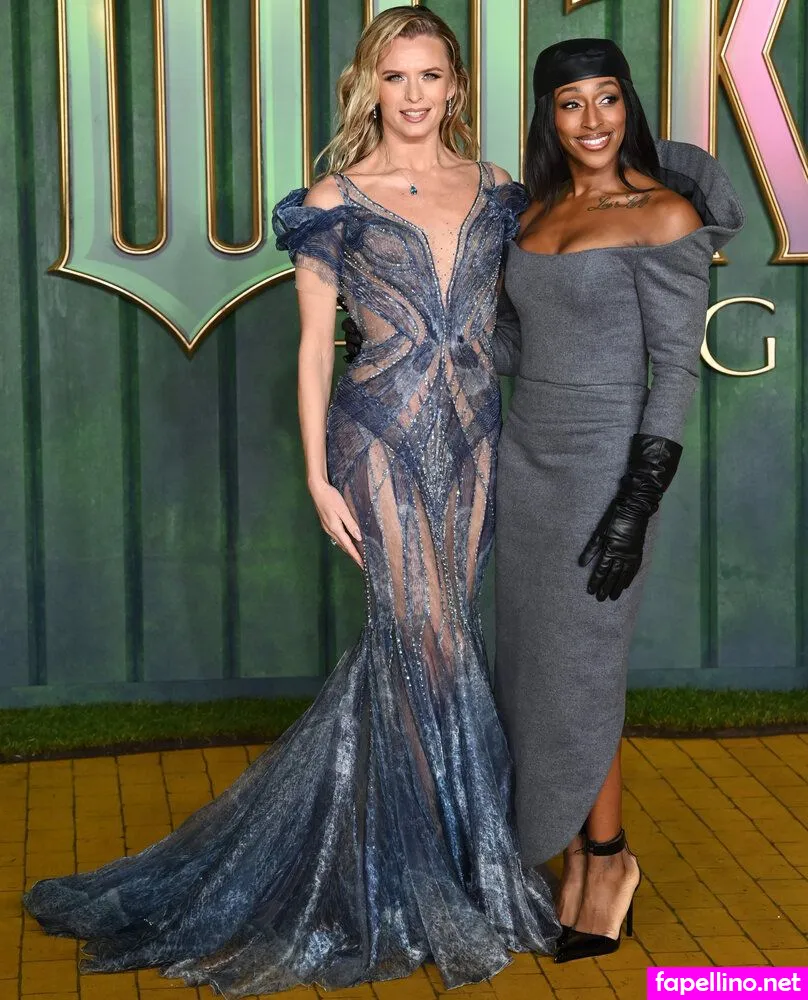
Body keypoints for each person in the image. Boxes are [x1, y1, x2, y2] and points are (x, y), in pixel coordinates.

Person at [22, 8, 558, 997]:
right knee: (423, 634)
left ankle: (424, 860)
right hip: (379, 435)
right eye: (393, 75)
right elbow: (316, 348)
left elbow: (530, 312)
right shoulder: (334, 199)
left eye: (429, 75)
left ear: (455, 85)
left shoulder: (498, 189)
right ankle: (434, 882)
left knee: (442, 640)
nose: (412, 94)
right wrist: (317, 475)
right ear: (368, 85)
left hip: (478, 437)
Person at [491, 38, 743, 963]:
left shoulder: (663, 213)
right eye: (571, 103)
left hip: (609, 465)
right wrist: (405, 333)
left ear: (628, 104)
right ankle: (588, 853)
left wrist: (638, 499)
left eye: (607, 98)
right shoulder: (535, 213)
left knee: (583, 667)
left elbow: (675, 369)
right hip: (526, 461)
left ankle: (607, 862)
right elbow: (516, 347)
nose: (592, 120)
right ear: (548, 116)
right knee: (537, 669)